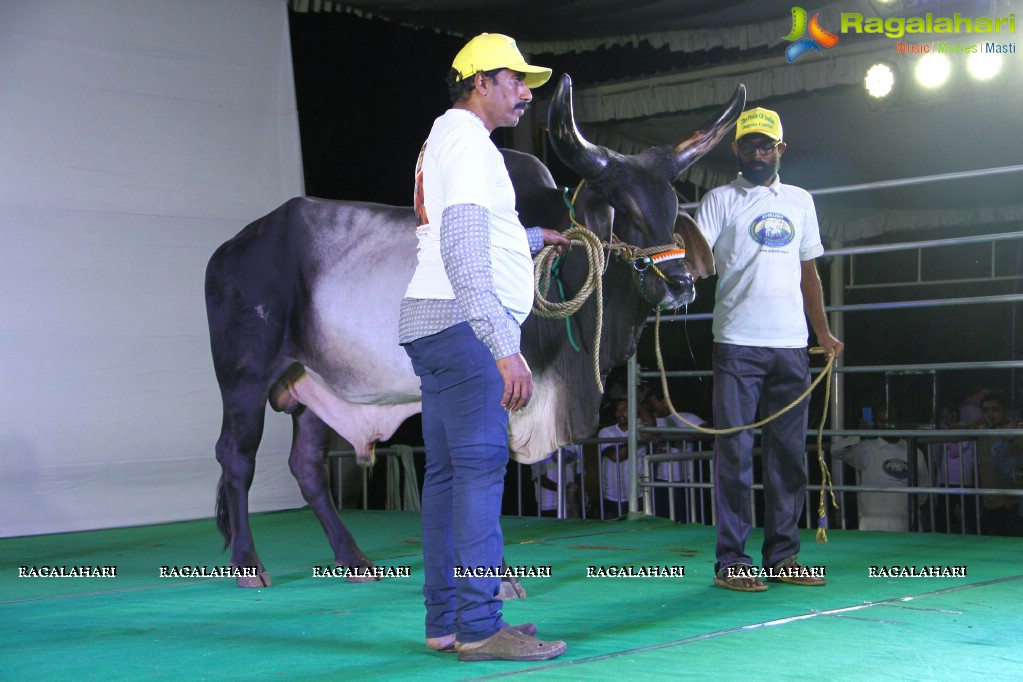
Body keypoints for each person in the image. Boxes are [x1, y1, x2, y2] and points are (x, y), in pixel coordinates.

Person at [398, 32, 570, 661]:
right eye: (516, 80)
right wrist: (505, 345)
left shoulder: (445, 138)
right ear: (480, 82)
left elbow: (472, 232)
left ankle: (445, 620)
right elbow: (464, 251)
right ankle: (478, 624)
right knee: (475, 475)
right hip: (465, 329)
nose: (526, 93)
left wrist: (529, 236)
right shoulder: (469, 144)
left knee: (446, 478)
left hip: (432, 325)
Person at [695, 106, 844, 592]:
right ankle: (732, 562)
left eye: (766, 145)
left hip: (791, 347)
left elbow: (809, 274)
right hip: (737, 343)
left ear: (781, 150)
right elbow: (694, 258)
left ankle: (783, 556)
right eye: (748, 146)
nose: (757, 153)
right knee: (734, 453)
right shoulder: (719, 199)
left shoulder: (801, 201)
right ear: (735, 150)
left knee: (789, 456)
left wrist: (822, 332)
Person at [830, 409, 929, 532]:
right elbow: (835, 451)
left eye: (891, 421)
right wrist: (857, 435)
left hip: (906, 528)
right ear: (875, 422)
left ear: (898, 422)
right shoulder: (867, 448)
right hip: (872, 529)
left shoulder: (914, 451)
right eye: (882, 421)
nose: (887, 425)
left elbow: (923, 495)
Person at [644, 386, 710, 522]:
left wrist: (680, 435)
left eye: (655, 401)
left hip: (682, 479)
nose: (654, 405)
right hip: (658, 480)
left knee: (684, 519)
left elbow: (708, 433)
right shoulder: (651, 422)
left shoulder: (685, 418)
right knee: (660, 519)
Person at [974, 391, 1023, 536]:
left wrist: (1017, 499)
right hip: (989, 505)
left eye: (995, 409)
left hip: (1010, 505)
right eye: (985, 410)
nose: (989, 414)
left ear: (1005, 411)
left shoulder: (1014, 431)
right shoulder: (983, 431)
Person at [598, 398, 653, 519]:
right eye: (618, 410)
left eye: (624, 409)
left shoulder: (642, 430)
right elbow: (616, 456)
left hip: (637, 493)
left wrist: (637, 402)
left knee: (637, 532)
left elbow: (652, 426)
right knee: (612, 533)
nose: (620, 413)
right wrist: (637, 438)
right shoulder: (606, 432)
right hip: (613, 495)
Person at [531, 444, 585, 518]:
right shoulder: (539, 443)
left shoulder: (573, 442)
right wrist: (566, 490)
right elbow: (538, 477)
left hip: (571, 501)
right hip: (548, 503)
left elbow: (580, 471)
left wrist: (576, 492)